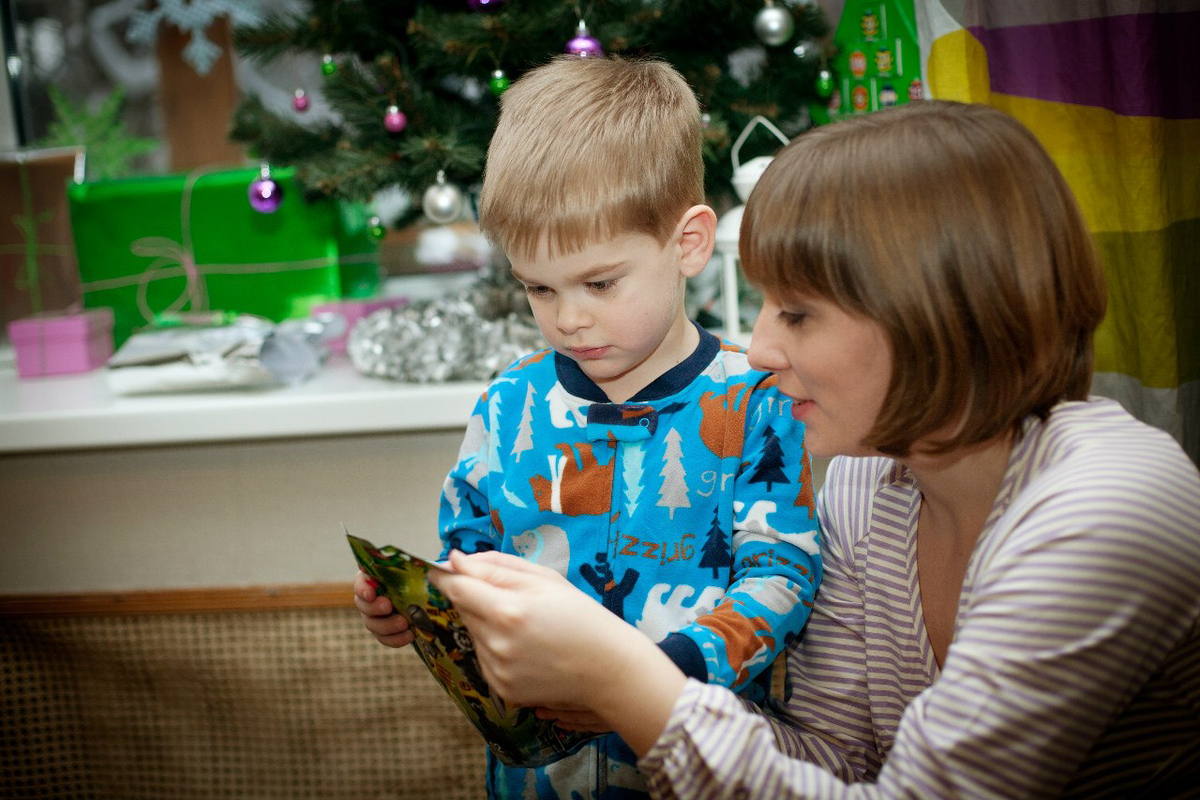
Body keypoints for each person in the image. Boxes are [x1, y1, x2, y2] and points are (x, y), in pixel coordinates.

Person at [426, 99, 1200, 799]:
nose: (757, 349)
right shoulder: (864, 493)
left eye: (796, 314)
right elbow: (831, 762)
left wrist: (625, 675)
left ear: (931, 315)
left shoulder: (1113, 504)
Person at [354, 55, 822, 799]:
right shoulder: (508, 406)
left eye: (600, 283)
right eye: (538, 287)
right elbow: (470, 558)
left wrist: (663, 673)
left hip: (698, 767)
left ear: (689, 244)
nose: (568, 318)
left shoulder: (754, 398)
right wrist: (423, 605)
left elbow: (782, 576)